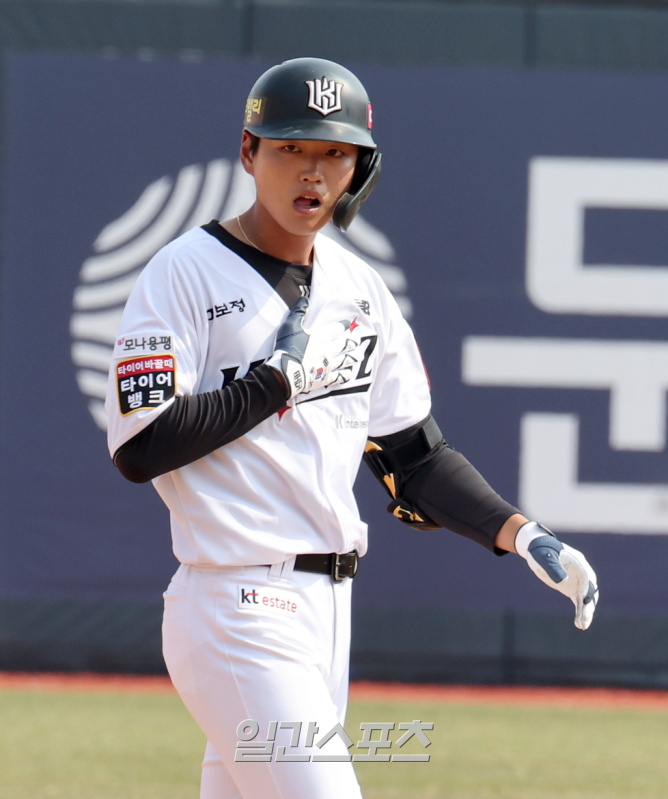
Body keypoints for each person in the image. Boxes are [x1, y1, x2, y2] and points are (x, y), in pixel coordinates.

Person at [105, 57, 598, 799]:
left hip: (327, 613)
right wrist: (274, 384)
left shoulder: (360, 288)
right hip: (237, 606)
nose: (313, 171)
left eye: (335, 152)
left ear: (359, 168)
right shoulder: (184, 272)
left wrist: (523, 534)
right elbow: (142, 445)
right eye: (291, 148)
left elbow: (415, 457)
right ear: (249, 153)